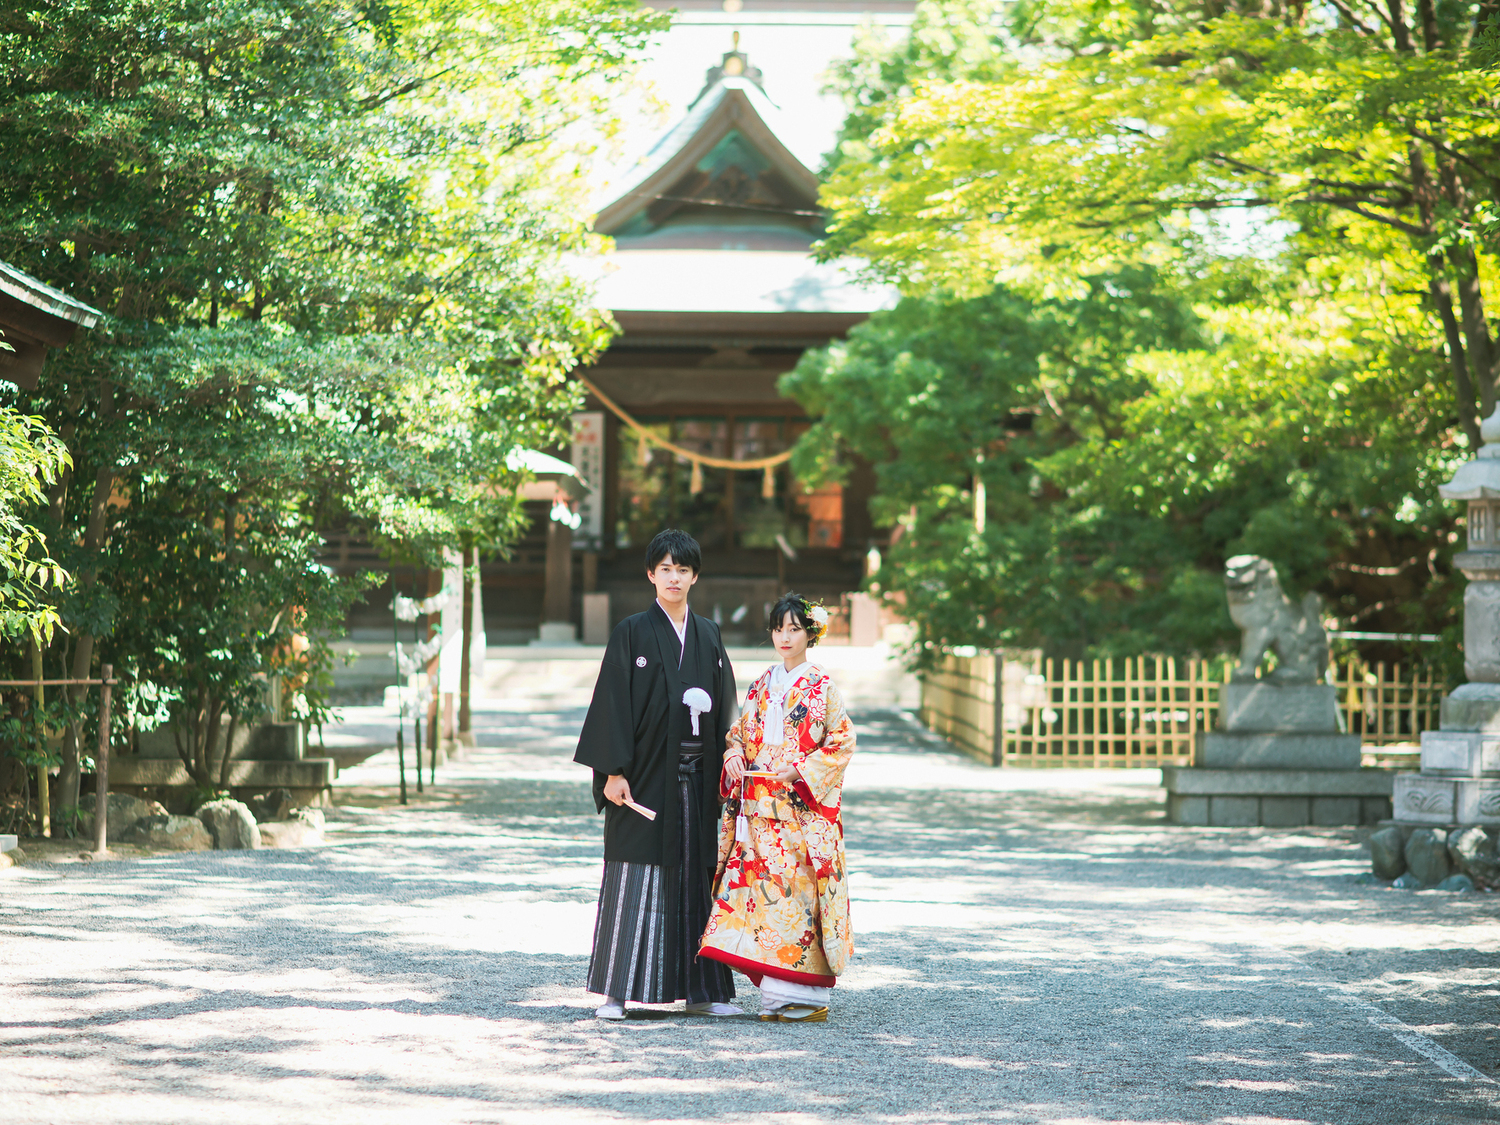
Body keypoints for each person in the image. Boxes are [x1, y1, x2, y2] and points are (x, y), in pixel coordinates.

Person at [575, 528, 741, 1020]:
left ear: (694, 577)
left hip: (697, 776)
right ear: (651, 574)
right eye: (665, 568)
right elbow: (612, 705)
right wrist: (611, 771)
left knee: (696, 878)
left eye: (682, 569)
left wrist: (731, 757)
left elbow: (727, 707)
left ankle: (702, 993)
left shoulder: (708, 634)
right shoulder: (631, 632)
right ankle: (617, 992)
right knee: (635, 877)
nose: (674, 577)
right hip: (644, 777)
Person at [699, 592, 856, 1022]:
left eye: (794, 629)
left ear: (810, 634)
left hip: (800, 814)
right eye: (778, 628)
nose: (785, 637)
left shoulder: (822, 686)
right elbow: (740, 733)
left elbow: (841, 742)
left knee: (796, 901)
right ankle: (776, 997)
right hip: (759, 810)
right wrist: (732, 754)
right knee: (765, 901)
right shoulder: (763, 682)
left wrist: (802, 771)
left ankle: (803, 998)